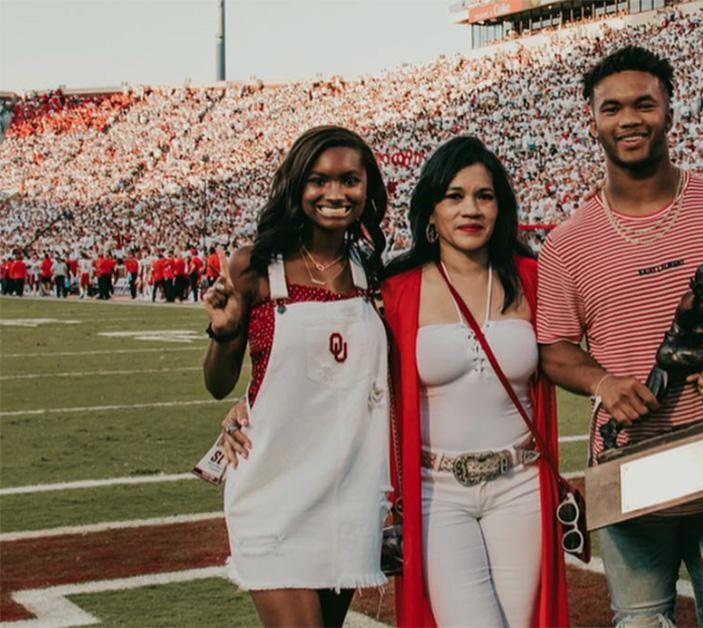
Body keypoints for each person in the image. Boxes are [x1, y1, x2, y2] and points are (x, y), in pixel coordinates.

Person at [537, 46, 703, 627]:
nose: (629, 119)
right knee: (640, 623)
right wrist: (603, 383)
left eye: (644, 104)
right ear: (592, 119)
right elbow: (555, 349)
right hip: (631, 463)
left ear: (669, 110)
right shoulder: (567, 242)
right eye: (613, 108)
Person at [204, 125, 391, 627]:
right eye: (318, 180)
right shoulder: (253, 266)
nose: (335, 194)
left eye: (350, 180)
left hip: (348, 489)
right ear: (295, 186)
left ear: (367, 187)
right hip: (273, 486)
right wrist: (223, 333)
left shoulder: (373, 270)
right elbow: (219, 382)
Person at [380, 136, 568, 627]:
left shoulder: (532, 277)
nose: (471, 208)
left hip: (522, 484)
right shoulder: (397, 288)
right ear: (430, 210)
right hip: (436, 491)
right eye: (455, 196)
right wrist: (249, 405)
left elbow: (579, 345)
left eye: (485, 196)